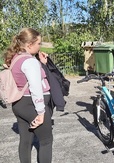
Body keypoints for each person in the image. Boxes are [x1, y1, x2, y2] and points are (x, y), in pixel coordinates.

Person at [3, 28, 53, 163]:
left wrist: (41, 64)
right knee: (46, 141)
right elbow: (35, 87)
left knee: (25, 141)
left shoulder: (16, 58)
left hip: (20, 104)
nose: (40, 46)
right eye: (39, 43)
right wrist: (41, 112)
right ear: (30, 44)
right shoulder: (30, 62)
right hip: (32, 105)